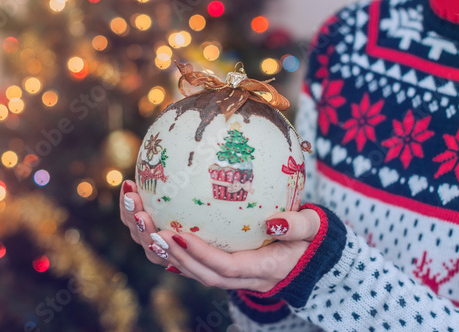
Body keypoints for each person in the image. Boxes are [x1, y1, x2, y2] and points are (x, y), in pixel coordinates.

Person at [120, 0, 459, 330]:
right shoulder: (353, 37)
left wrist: (324, 273)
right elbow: (291, 312)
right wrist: (266, 285)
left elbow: (317, 275)